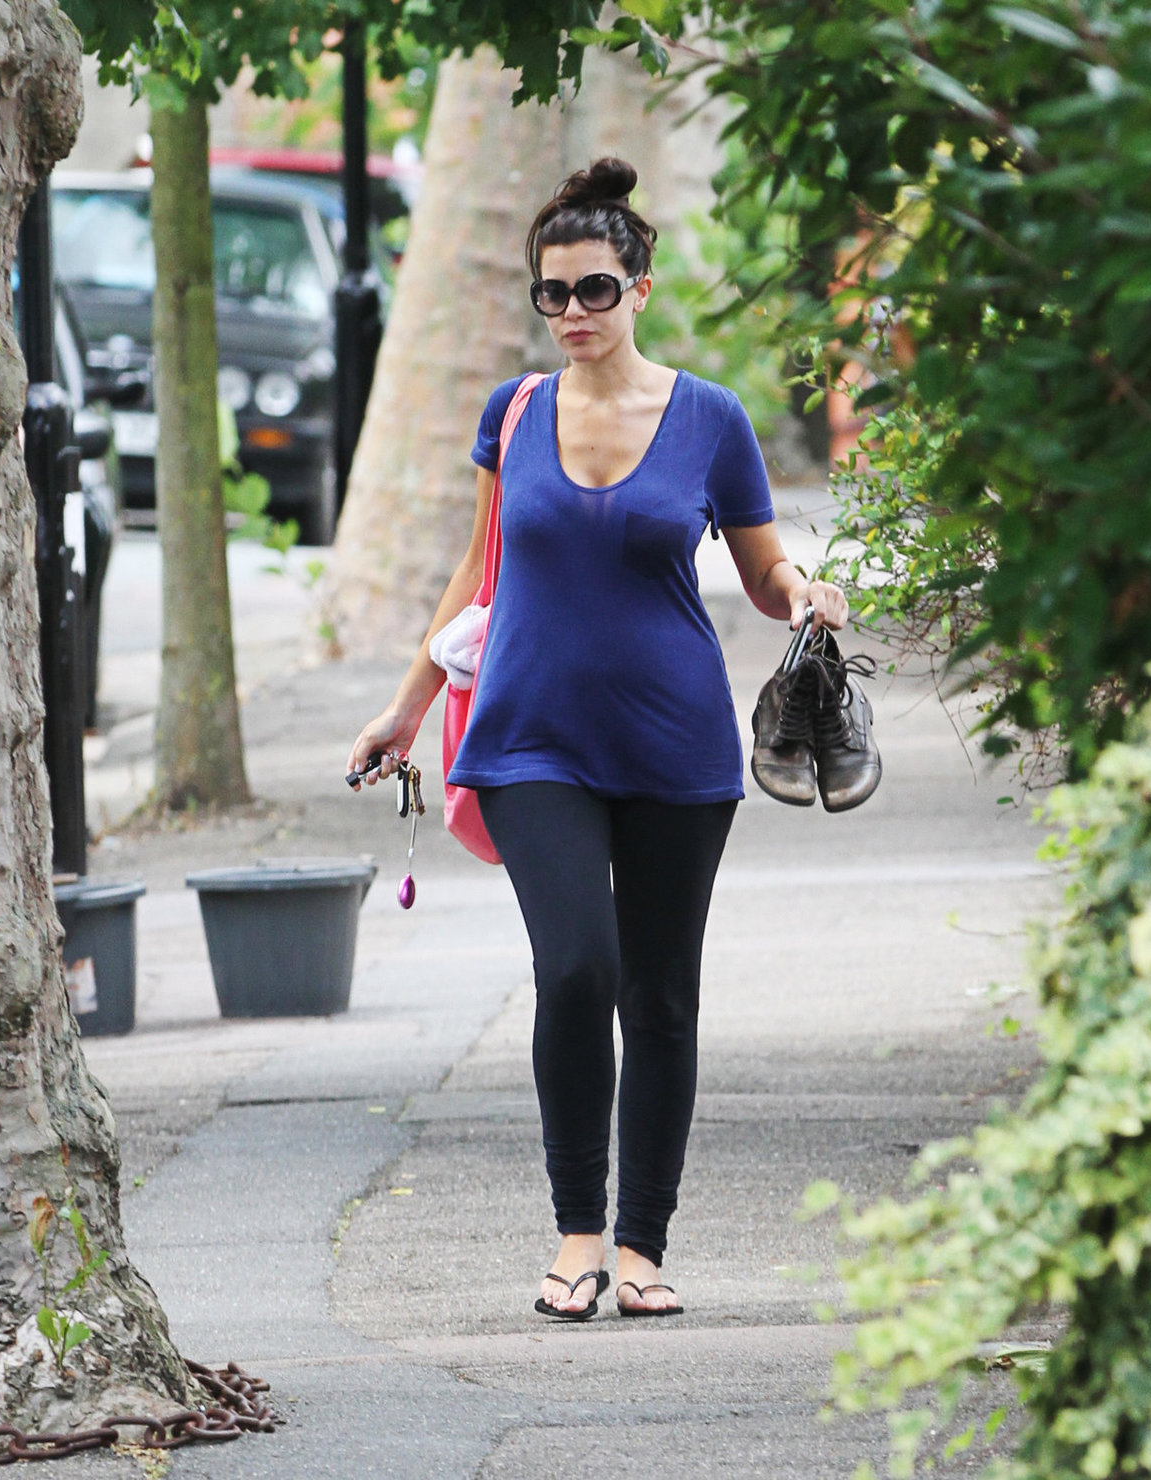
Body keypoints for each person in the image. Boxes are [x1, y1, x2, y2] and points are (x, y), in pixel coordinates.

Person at [346, 157, 849, 1320]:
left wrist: (808, 591)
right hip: (530, 737)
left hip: (676, 740)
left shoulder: (710, 419)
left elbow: (764, 571)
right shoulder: (513, 413)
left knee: (662, 995)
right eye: (553, 294)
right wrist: (407, 706)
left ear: (643, 287)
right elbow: (478, 576)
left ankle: (642, 1246)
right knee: (577, 969)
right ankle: (576, 1232)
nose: (572, 313)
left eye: (594, 290)